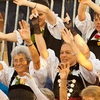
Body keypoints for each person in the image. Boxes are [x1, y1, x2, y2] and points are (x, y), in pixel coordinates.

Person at [22, 11, 100, 100]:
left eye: (67, 52)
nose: (63, 55)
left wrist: (72, 33)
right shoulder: (56, 69)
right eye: (61, 52)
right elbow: (43, 52)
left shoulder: (83, 69)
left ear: (75, 54)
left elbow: (85, 53)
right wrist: (36, 28)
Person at [0, 20, 41, 100]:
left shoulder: (34, 74)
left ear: (28, 62)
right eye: (15, 60)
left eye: (21, 60)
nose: (18, 63)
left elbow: (37, 61)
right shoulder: (10, 74)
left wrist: (29, 41)